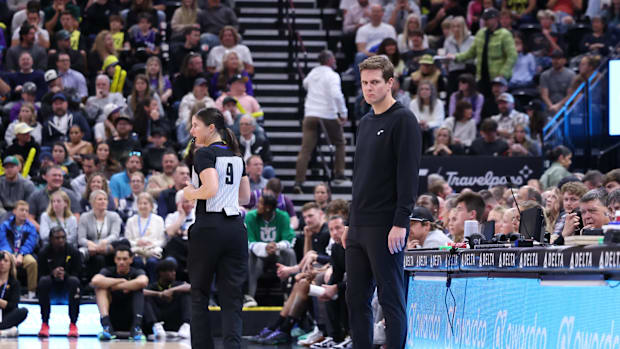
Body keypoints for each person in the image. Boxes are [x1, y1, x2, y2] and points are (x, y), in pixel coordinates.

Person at [346, 55, 421, 348]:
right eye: (364, 83)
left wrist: (401, 222)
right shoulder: (365, 122)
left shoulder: (403, 120)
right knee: (355, 299)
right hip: (359, 225)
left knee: (391, 299)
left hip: (385, 225)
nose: (369, 88)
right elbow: (359, 178)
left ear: (390, 82)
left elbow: (408, 177)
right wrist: (351, 222)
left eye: (375, 82)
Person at [182, 108, 251, 348]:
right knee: (232, 298)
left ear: (211, 128)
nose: (192, 131)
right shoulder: (236, 156)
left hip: (209, 227)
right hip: (235, 230)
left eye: (195, 126)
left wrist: (190, 192)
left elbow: (209, 189)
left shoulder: (204, 154)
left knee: (199, 294)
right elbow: (245, 198)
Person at [294, 50, 348, 193]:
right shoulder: (332, 75)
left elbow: (305, 84)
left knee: (306, 149)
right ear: (329, 60)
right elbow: (336, 94)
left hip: (311, 114)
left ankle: (298, 182)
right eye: (334, 59)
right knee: (340, 143)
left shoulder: (313, 73)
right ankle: (339, 173)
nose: (335, 61)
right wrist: (343, 112)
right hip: (327, 114)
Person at [448, 8, 517, 107]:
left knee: (498, 103)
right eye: (484, 19)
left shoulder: (505, 34)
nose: (485, 21)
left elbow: (512, 56)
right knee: (483, 103)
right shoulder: (481, 33)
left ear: (496, 19)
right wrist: (455, 57)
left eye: (488, 19)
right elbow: (471, 53)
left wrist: (503, 73)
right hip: (482, 76)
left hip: (498, 78)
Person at [245, 194, 296, 306]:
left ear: (268, 207)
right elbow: (248, 241)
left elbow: (289, 240)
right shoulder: (250, 216)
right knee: (248, 253)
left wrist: (276, 246)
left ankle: (290, 294)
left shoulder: (283, 216)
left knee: (290, 253)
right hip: (258, 257)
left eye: (260, 203)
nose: (257, 205)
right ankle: (249, 297)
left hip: (278, 255)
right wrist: (264, 247)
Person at [92, 246, 149, 341]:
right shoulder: (108, 271)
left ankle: (136, 327)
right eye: (119, 259)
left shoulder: (137, 271)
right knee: (100, 288)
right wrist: (120, 280)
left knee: (138, 288)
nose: (121, 262)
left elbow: (143, 282)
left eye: (125, 259)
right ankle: (106, 326)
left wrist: (117, 286)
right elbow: (95, 281)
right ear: (115, 260)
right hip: (112, 313)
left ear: (131, 260)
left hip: (131, 312)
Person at [36, 226, 81, 338]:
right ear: (51, 239)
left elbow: (78, 273)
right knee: (43, 281)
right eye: (57, 238)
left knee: (74, 281)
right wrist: (52, 274)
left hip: (68, 283)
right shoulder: (43, 253)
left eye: (63, 237)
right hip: (50, 284)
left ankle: (73, 324)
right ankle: (45, 324)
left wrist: (65, 274)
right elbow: (40, 275)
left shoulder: (73, 252)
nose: (61, 240)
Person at [78, 190, 122, 280]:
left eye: (105, 199)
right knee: (97, 258)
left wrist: (104, 241)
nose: (103, 201)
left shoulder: (114, 216)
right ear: (92, 202)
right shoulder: (84, 217)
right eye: (100, 199)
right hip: (91, 249)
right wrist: (90, 244)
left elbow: (115, 235)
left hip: (107, 247)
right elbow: (81, 238)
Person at [143, 259, 191, 339]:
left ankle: (186, 326)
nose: (174, 273)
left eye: (174, 271)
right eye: (171, 271)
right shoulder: (153, 286)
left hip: (175, 317)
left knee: (185, 294)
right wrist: (159, 294)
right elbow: (141, 291)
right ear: (161, 273)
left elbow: (190, 287)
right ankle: (156, 326)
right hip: (159, 317)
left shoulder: (178, 285)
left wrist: (171, 290)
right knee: (146, 298)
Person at [0, 200, 39, 299]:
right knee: (7, 262)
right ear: (14, 211)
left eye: (26, 211)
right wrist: (10, 254)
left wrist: (21, 254)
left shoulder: (31, 227)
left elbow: (30, 243)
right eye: (22, 210)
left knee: (32, 262)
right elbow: (3, 241)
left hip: (24, 253)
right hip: (8, 252)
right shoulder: (5, 225)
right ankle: (10, 292)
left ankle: (31, 292)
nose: (24, 213)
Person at [125, 193, 165, 281]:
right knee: (137, 262)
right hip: (137, 251)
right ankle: (138, 286)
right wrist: (137, 243)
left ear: (151, 206)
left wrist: (151, 244)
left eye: (145, 203)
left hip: (153, 251)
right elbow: (127, 240)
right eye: (140, 203)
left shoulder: (158, 220)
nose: (142, 206)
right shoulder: (131, 221)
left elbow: (162, 240)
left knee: (152, 263)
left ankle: (152, 287)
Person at [409, 80, 444, 151]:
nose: (424, 91)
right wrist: (420, 123)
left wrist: (428, 125)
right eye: (422, 89)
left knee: (430, 132)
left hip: (434, 129)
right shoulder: (413, 103)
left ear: (431, 91)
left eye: (427, 89)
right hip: (418, 128)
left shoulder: (438, 103)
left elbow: (439, 120)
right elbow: (413, 118)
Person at [0, 251, 28, 336]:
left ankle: (3, 331)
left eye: (5, 261)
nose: (1, 263)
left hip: (6, 315)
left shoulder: (14, 283)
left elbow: (12, 305)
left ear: (10, 264)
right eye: (0, 260)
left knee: (23, 311)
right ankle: (6, 332)